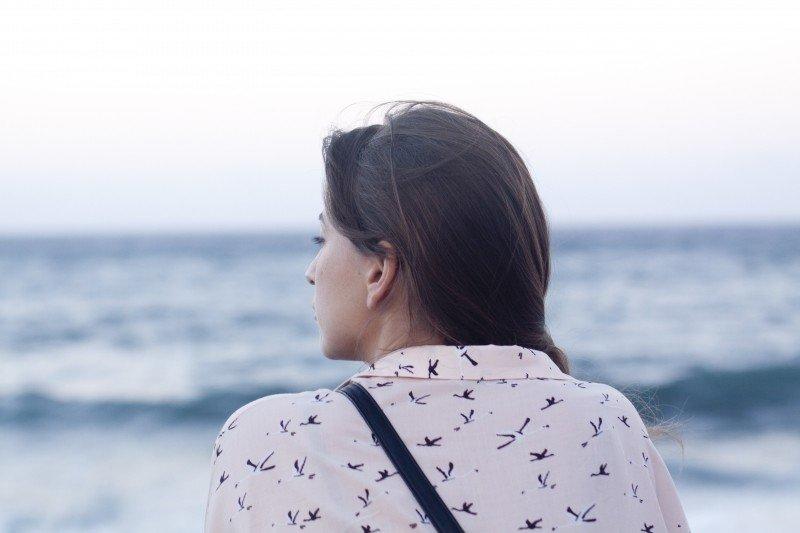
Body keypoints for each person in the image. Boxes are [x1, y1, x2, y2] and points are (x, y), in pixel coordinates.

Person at [204, 100, 691, 532]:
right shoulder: (606, 424)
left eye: (323, 239)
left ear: (379, 271)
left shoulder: (273, 441)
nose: (312, 271)